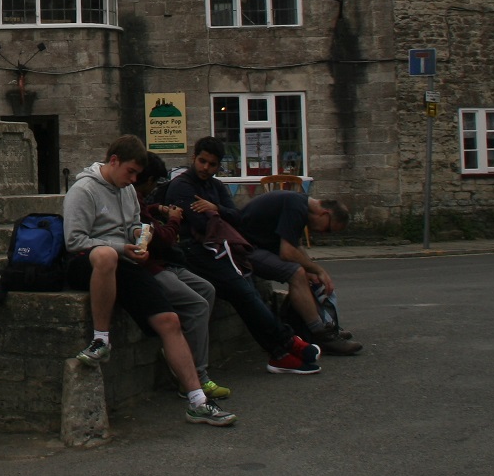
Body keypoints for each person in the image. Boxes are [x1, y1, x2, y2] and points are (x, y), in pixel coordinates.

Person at [63, 137, 237, 426]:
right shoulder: (83, 189)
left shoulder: (128, 190)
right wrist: (120, 248)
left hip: (124, 262)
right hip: (87, 261)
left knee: (170, 320)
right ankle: (100, 340)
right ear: (114, 160)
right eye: (130, 172)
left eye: (136, 175)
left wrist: (139, 239)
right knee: (106, 255)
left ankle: (197, 400)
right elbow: (74, 241)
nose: (133, 179)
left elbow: (133, 225)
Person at [166, 137, 323, 374]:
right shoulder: (182, 186)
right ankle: (288, 343)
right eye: (202, 161)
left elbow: (239, 219)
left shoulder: (216, 187)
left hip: (220, 248)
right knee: (242, 291)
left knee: (247, 293)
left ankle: (279, 353)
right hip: (192, 250)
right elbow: (199, 221)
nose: (205, 168)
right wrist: (218, 214)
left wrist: (216, 209)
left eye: (212, 164)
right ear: (193, 158)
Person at [134, 154, 230, 401]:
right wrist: (174, 220)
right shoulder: (129, 195)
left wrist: (159, 209)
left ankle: (188, 356)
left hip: (166, 262)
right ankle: (195, 377)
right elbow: (161, 238)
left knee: (207, 290)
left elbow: (147, 213)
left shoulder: (138, 197)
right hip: (152, 268)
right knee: (197, 305)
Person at [236, 188, 361, 355]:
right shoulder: (295, 206)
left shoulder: (299, 203)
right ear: (324, 214)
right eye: (328, 229)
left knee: (308, 274)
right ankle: (321, 335)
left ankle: (322, 325)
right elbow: (287, 252)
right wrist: (317, 269)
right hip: (244, 250)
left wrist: (313, 271)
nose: (324, 234)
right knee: (296, 273)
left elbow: (296, 246)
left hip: (257, 247)